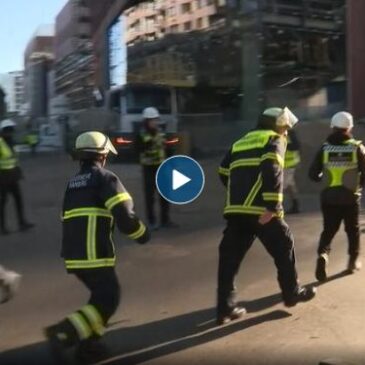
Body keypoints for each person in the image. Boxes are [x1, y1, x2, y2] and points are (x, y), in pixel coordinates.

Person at [44, 131, 150, 363]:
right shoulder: (106, 178)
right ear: (103, 155)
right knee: (108, 299)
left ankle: (89, 346)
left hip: (73, 255)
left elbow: (65, 217)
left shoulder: (72, 184)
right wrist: (142, 234)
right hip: (94, 253)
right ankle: (64, 332)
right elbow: (125, 217)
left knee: (100, 298)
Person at [216, 107, 316, 325]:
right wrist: (272, 206)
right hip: (262, 211)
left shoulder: (240, 142)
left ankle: (224, 308)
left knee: (229, 260)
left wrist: (239, 195)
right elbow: (273, 170)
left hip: (236, 211)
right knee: (284, 246)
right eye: (285, 128)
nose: (287, 132)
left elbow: (223, 171)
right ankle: (291, 293)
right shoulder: (273, 140)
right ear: (276, 125)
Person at [309, 111, 365, 282]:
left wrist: (324, 177)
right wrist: (359, 184)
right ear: (349, 128)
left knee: (328, 230)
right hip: (350, 197)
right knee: (352, 230)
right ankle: (352, 262)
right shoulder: (356, 147)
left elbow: (313, 174)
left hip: (329, 198)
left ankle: (323, 255)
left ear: (333, 127)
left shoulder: (325, 148)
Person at [136, 106, 177, 230]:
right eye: (152, 120)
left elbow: (165, 147)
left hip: (161, 167)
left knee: (165, 194)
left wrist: (171, 161)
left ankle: (165, 220)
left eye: (156, 119)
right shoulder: (141, 134)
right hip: (148, 168)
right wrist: (147, 144)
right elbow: (137, 149)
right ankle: (152, 221)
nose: (155, 122)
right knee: (150, 196)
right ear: (146, 121)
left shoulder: (160, 132)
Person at [0, 119, 34, 235]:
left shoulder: (12, 143)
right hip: (2, 176)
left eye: (11, 130)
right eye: (7, 130)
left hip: (13, 176)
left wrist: (19, 172)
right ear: (3, 131)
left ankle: (22, 223)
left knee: (18, 199)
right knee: (3, 202)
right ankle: (2, 227)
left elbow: (14, 160)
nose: (10, 133)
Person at [284, 129, 301, 214]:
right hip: (285, 164)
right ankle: (295, 205)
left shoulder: (290, 133)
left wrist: (284, 145)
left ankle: (275, 207)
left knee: (282, 186)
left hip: (289, 163)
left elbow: (296, 146)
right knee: (290, 185)